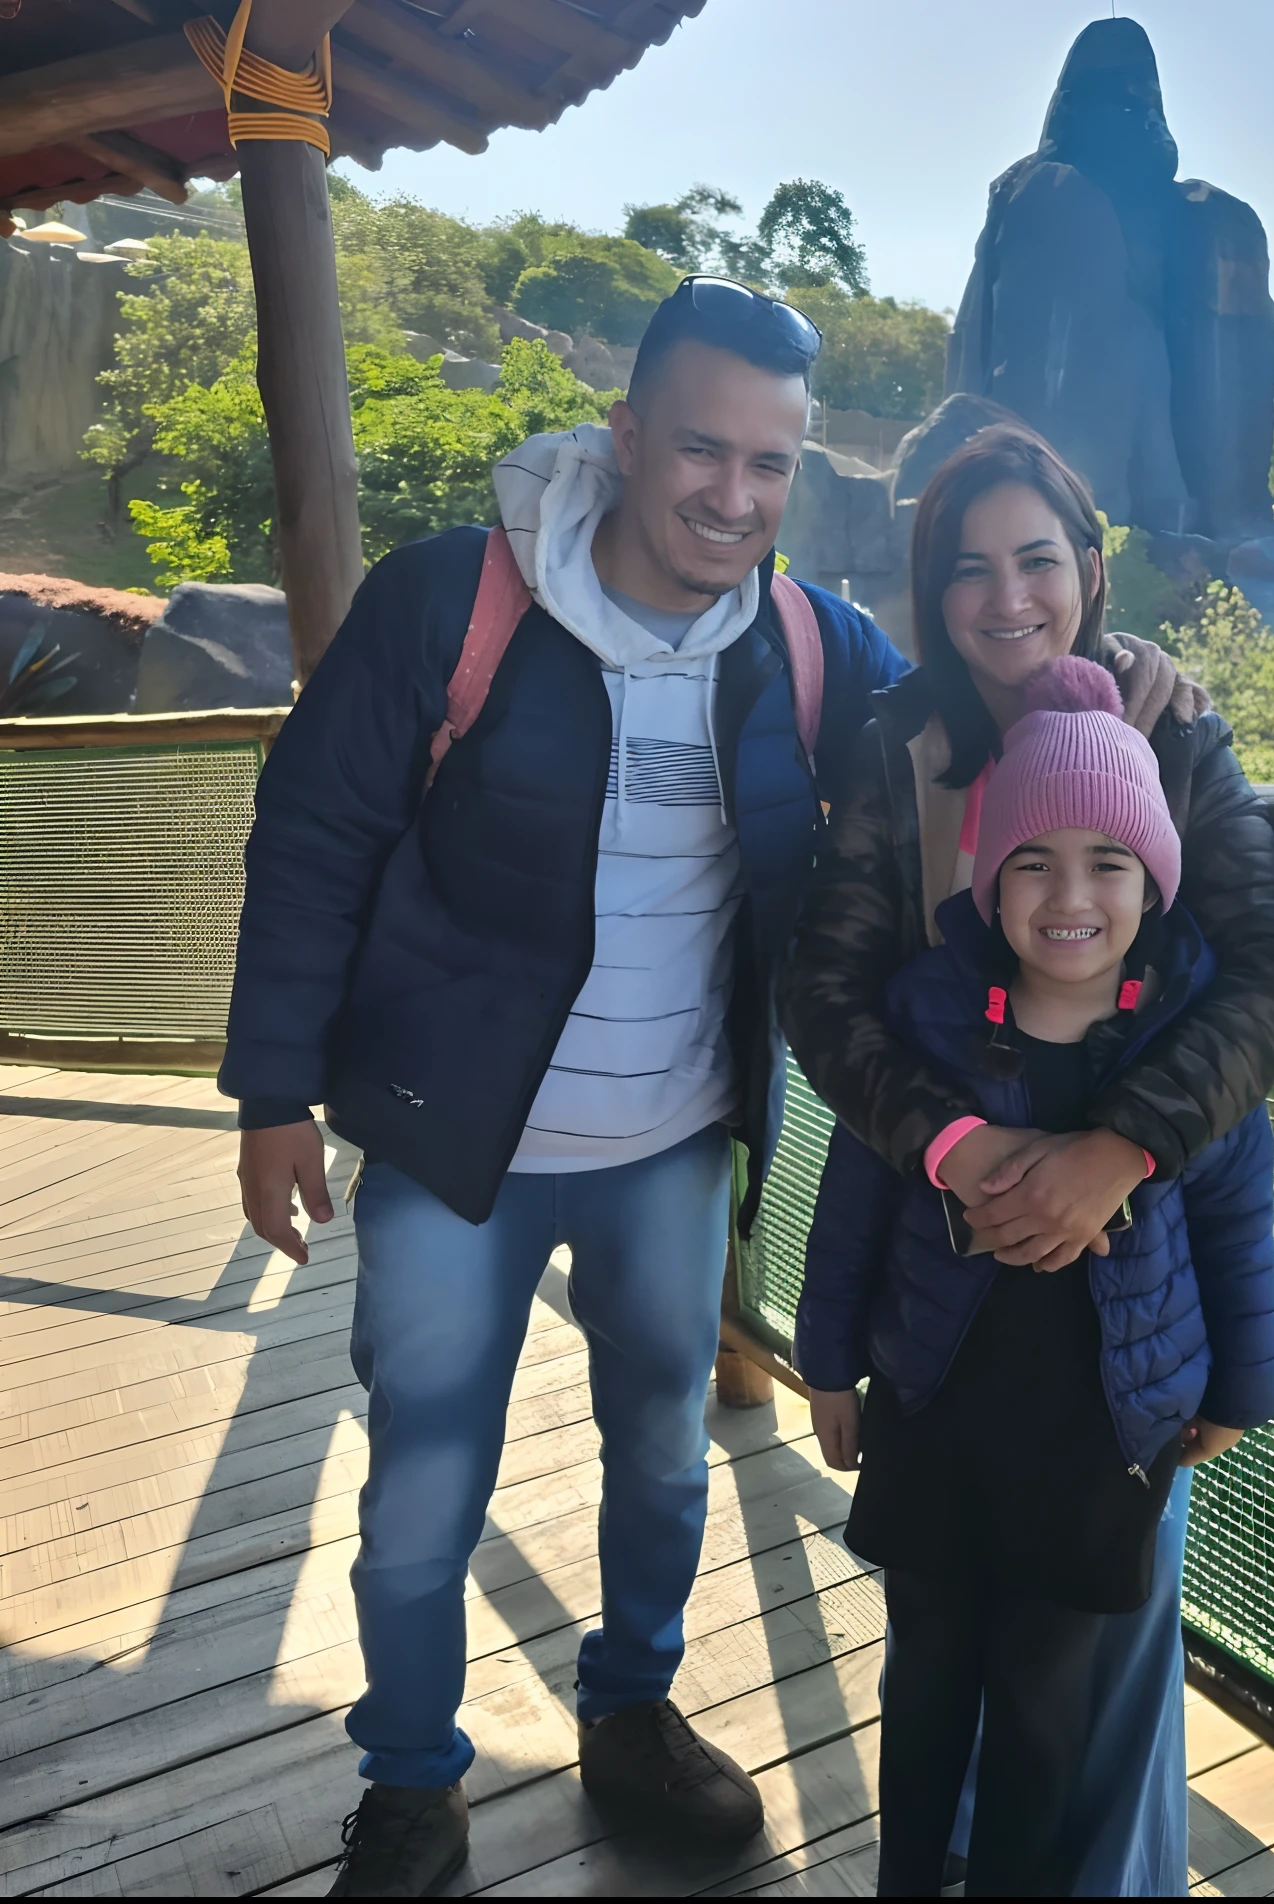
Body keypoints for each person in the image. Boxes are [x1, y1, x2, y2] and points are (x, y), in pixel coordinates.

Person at [219, 277, 910, 1897]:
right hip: (460, 1143)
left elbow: (984, 705)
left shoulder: (811, 646)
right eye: (700, 450)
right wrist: (270, 1095)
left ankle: (634, 1711)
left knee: (665, 1452)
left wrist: (1130, 686)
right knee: (422, 1484)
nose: (733, 498)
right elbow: (312, 841)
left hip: (670, 1145)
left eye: (770, 465)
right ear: (625, 432)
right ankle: (408, 1784)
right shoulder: (451, 604)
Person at [779, 425, 1274, 1891]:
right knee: (943, 1651)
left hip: (1123, 1299)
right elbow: (826, 992)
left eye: (1037, 560)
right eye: (967, 569)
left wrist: (1121, 1151)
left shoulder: (1175, 731)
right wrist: (950, 1145)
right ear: (929, 590)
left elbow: (1264, 976)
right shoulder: (900, 747)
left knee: (1089, 1664)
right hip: (941, 1298)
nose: (1006, 598)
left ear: (1088, 565)